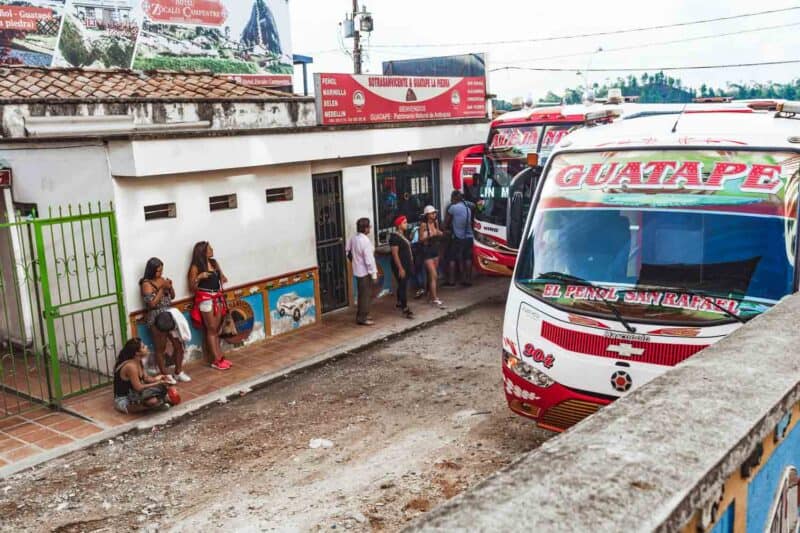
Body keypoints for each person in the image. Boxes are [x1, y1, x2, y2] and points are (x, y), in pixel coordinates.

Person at [140, 258, 189, 384]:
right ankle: (165, 374)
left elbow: (172, 296)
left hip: (169, 315)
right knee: (160, 348)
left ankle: (178, 372)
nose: (160, 273)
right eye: (157, 271)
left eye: (161, 270)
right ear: (151, 271)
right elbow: (152, 304)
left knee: (178, 345)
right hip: (156, 318)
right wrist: (162, 288)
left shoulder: (163, 279)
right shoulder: (146, 284)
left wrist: (170, 287)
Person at [188, 241, 230, 370]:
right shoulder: (196, 267)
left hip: (217, 298)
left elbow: (222, 278)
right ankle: (216, 359)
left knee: (216, 329)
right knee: (211, 329)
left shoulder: (214, 263)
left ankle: (220, 356)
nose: (212, 250)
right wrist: (199, 277)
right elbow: (192, 287)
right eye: (209, 248)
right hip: (206, 299)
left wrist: (221, 276)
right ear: (202, 252)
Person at [113, 338, 172, 414]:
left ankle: (158, 402)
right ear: (137, 353)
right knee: (153, 400)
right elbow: (138, 387)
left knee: (163, 387)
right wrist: (158, 383)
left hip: (134, 394)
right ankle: (155, 405)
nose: (146, 347)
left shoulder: (138, 361)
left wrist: (160, 377)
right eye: (143, 347)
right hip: (124, 400)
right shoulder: (131, 366)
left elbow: (146, 378)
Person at [346, 218, 378, 326]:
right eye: (369, 226)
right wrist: (373, 274)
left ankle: (363, 314)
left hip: (358, 270)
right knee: (365, 295)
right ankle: (362, 317)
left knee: (362, 294)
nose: (370, 228)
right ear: (365, 228)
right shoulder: (365, 241)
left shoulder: (354, 238)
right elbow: (369, 260)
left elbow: (348, 251)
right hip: (365, 272)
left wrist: (354, 261)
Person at [444, 190, 475, 287]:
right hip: (469, 237)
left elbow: (446, 223)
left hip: (458, 237)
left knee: (452, 258)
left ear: (455, 198)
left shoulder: (453, 208)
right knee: (468, 258)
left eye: (452, 198)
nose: (451, 200)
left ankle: (451, 281)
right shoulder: (468, 208)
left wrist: (444, 229)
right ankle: (468, 280)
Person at [419, 205, 445, 308]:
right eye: (432, 213)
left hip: (435, 249)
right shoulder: (423, 225)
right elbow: (421, 239)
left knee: (432, 275)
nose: (434, 214)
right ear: (427, 215)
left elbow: (438, 233)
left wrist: (439, 234)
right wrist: (430, 235)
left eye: (435, 213)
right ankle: (434, 298)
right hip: (427, 251)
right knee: (434, 275)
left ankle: (431, 295)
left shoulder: (435, 222)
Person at [389, 216, 414, 319]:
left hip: (406, 263)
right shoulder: (394, 237)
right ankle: (405, 307)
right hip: (400, 264)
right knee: (403, 284)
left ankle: (400, 301)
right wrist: (400, 268)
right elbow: (395, 254)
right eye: (404, 223)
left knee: (402, 283)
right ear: (399, 225)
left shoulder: (403, 235)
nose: (406, 224)